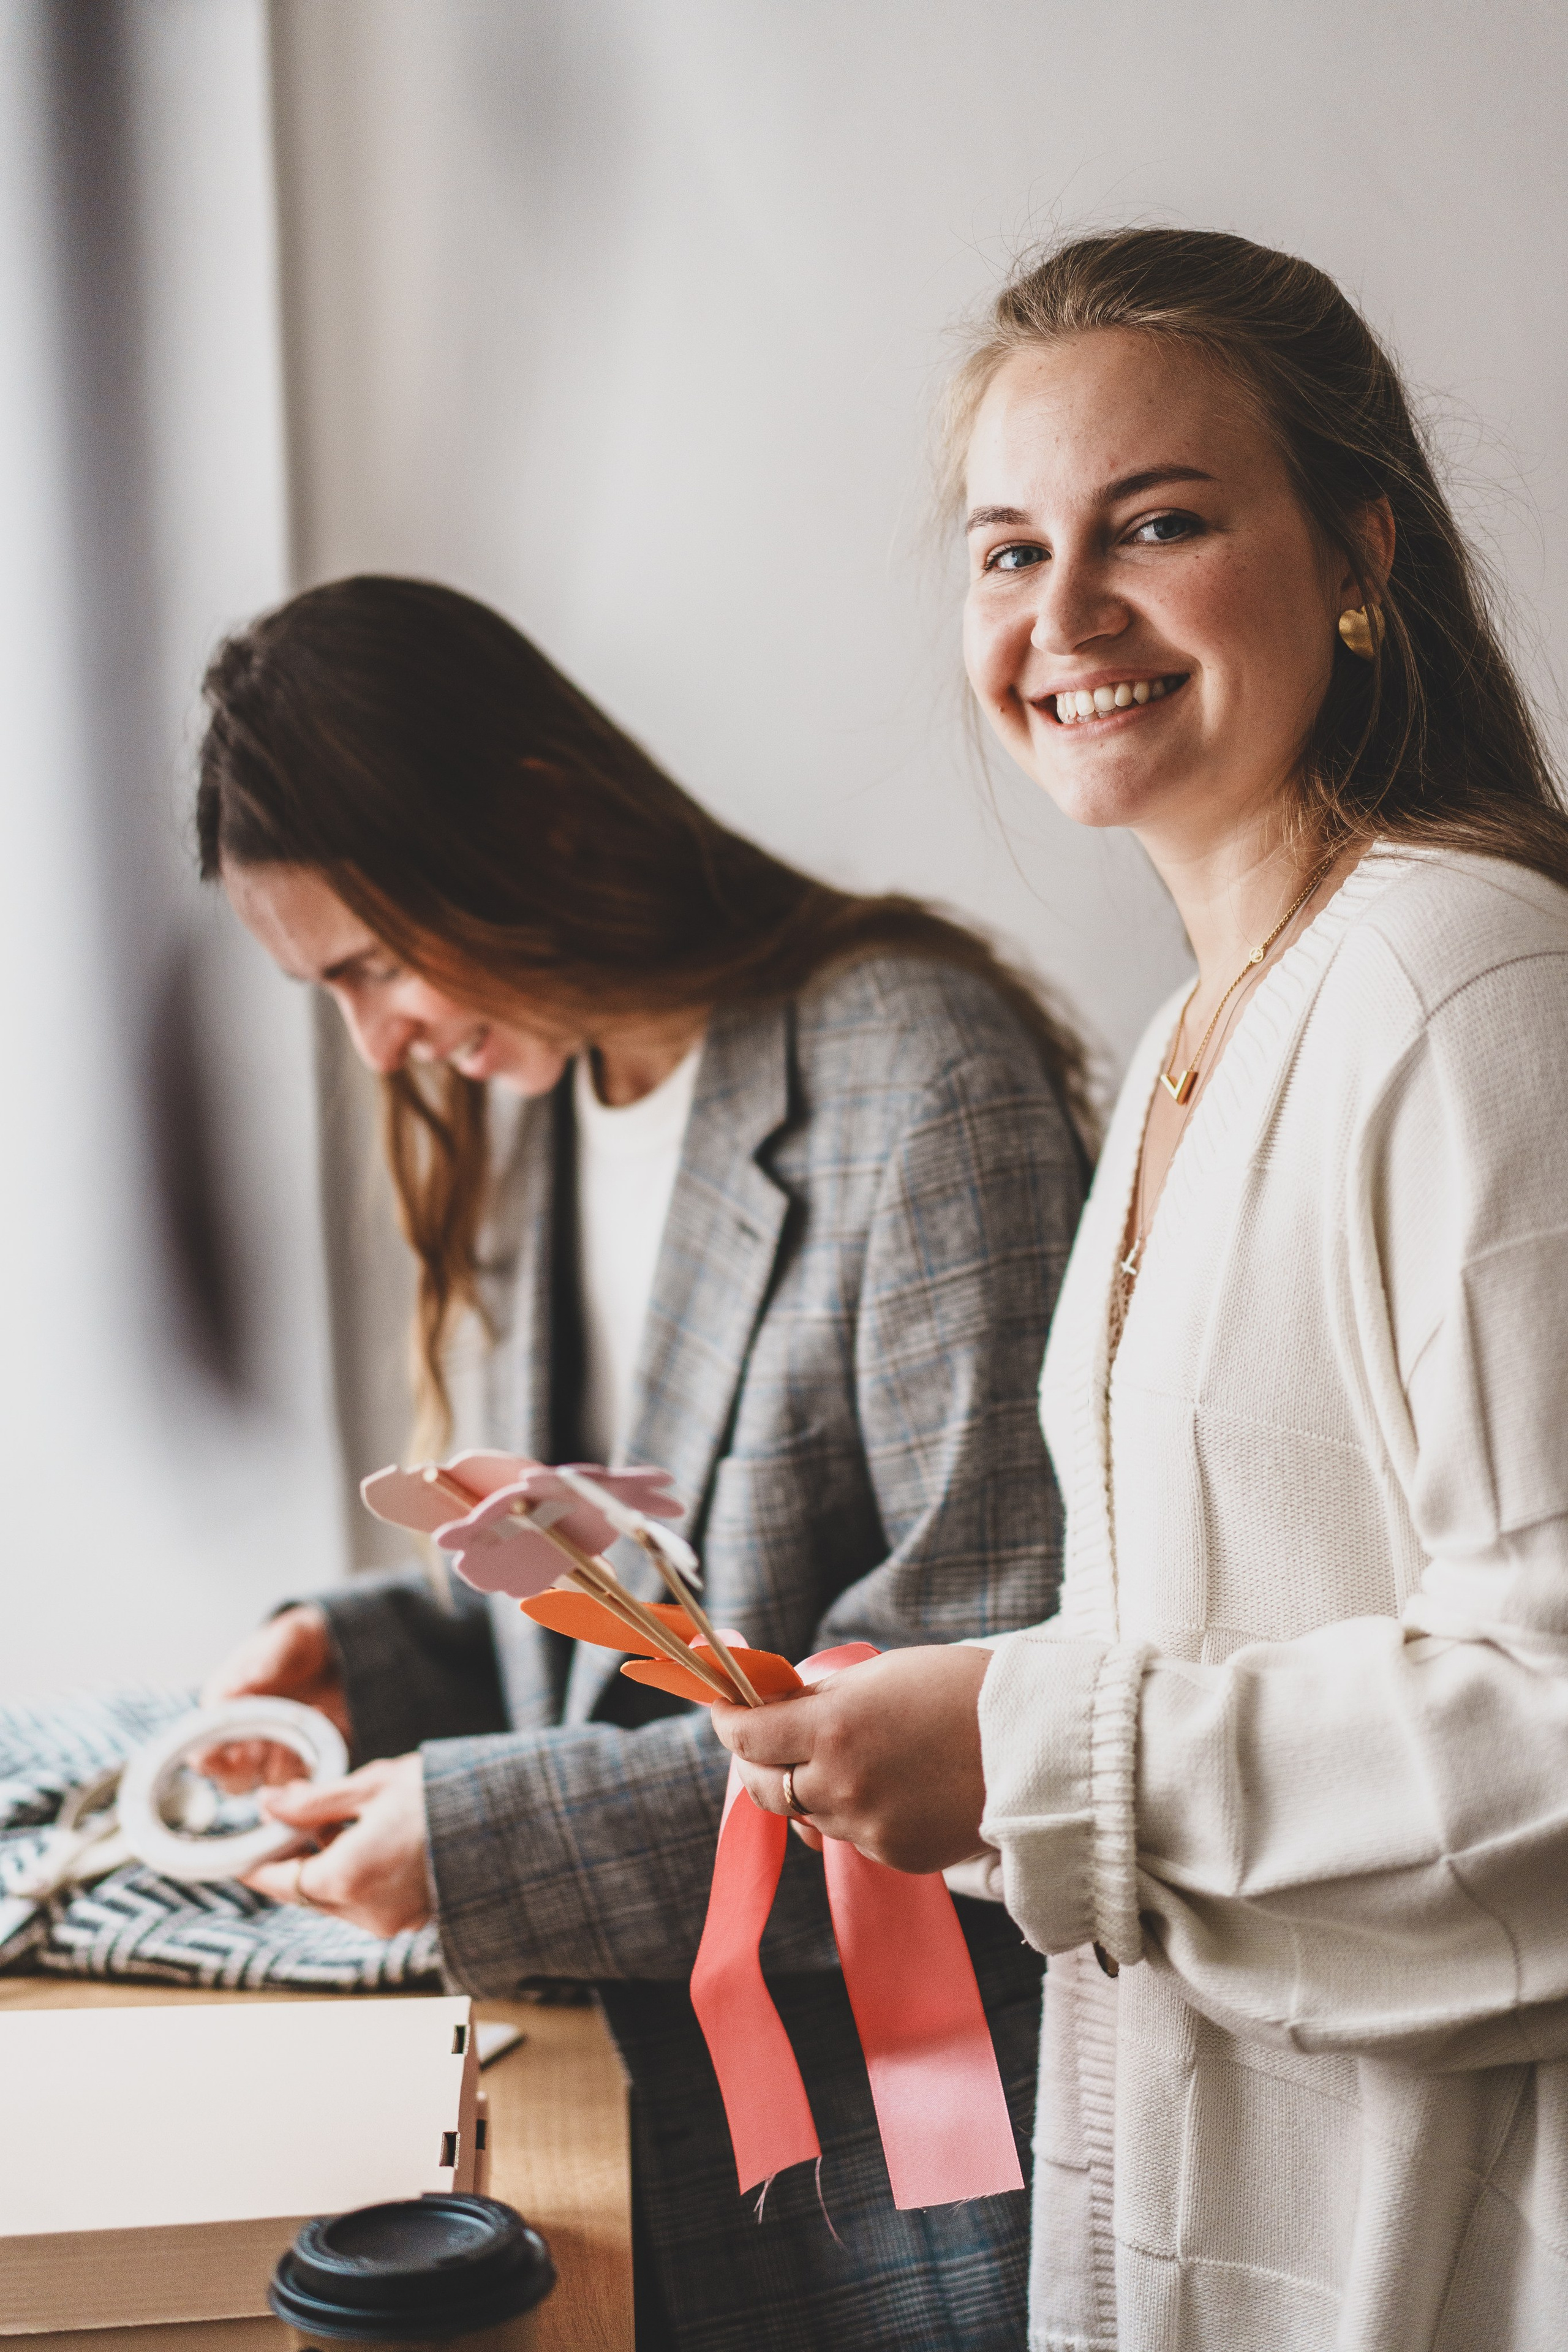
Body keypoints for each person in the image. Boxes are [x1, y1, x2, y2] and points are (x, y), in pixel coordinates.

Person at [715, 228, 1568, 2351]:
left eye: (1157, 525)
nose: (1066, 617)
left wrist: (1029, 1753)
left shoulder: (1466, 988)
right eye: (1008, 552)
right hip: (1217, 2200)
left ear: (1360, 552)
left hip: (1450, 2248)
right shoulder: (1219, 1014)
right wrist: (963, 1727)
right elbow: (1241, 1621)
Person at [194, 575, 1090, 2352]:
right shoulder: (556, 1101)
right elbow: (647, 1609)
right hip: (612, 2116)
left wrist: (481, 1842)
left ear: (540, 816)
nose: (373, 1043)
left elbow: (969, 1725)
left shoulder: (921, 1081)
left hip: (887, 2191)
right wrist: (363, 1651)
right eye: (328, 993)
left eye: (372, 964)